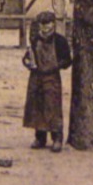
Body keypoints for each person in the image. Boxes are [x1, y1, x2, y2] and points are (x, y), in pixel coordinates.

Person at [22, 11, 71, 152]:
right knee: (37, 106)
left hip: (52, 77)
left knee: (52, 106)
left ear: (53, 24)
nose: (45, 29)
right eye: (43, 26)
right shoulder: (35, 40)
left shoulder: (60, 41)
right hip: (36, 77)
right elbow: (26, 57)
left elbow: (67, 61)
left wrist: (56, 65)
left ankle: (57, 138)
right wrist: (27, 63)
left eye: (48, 25)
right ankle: (40, 137)